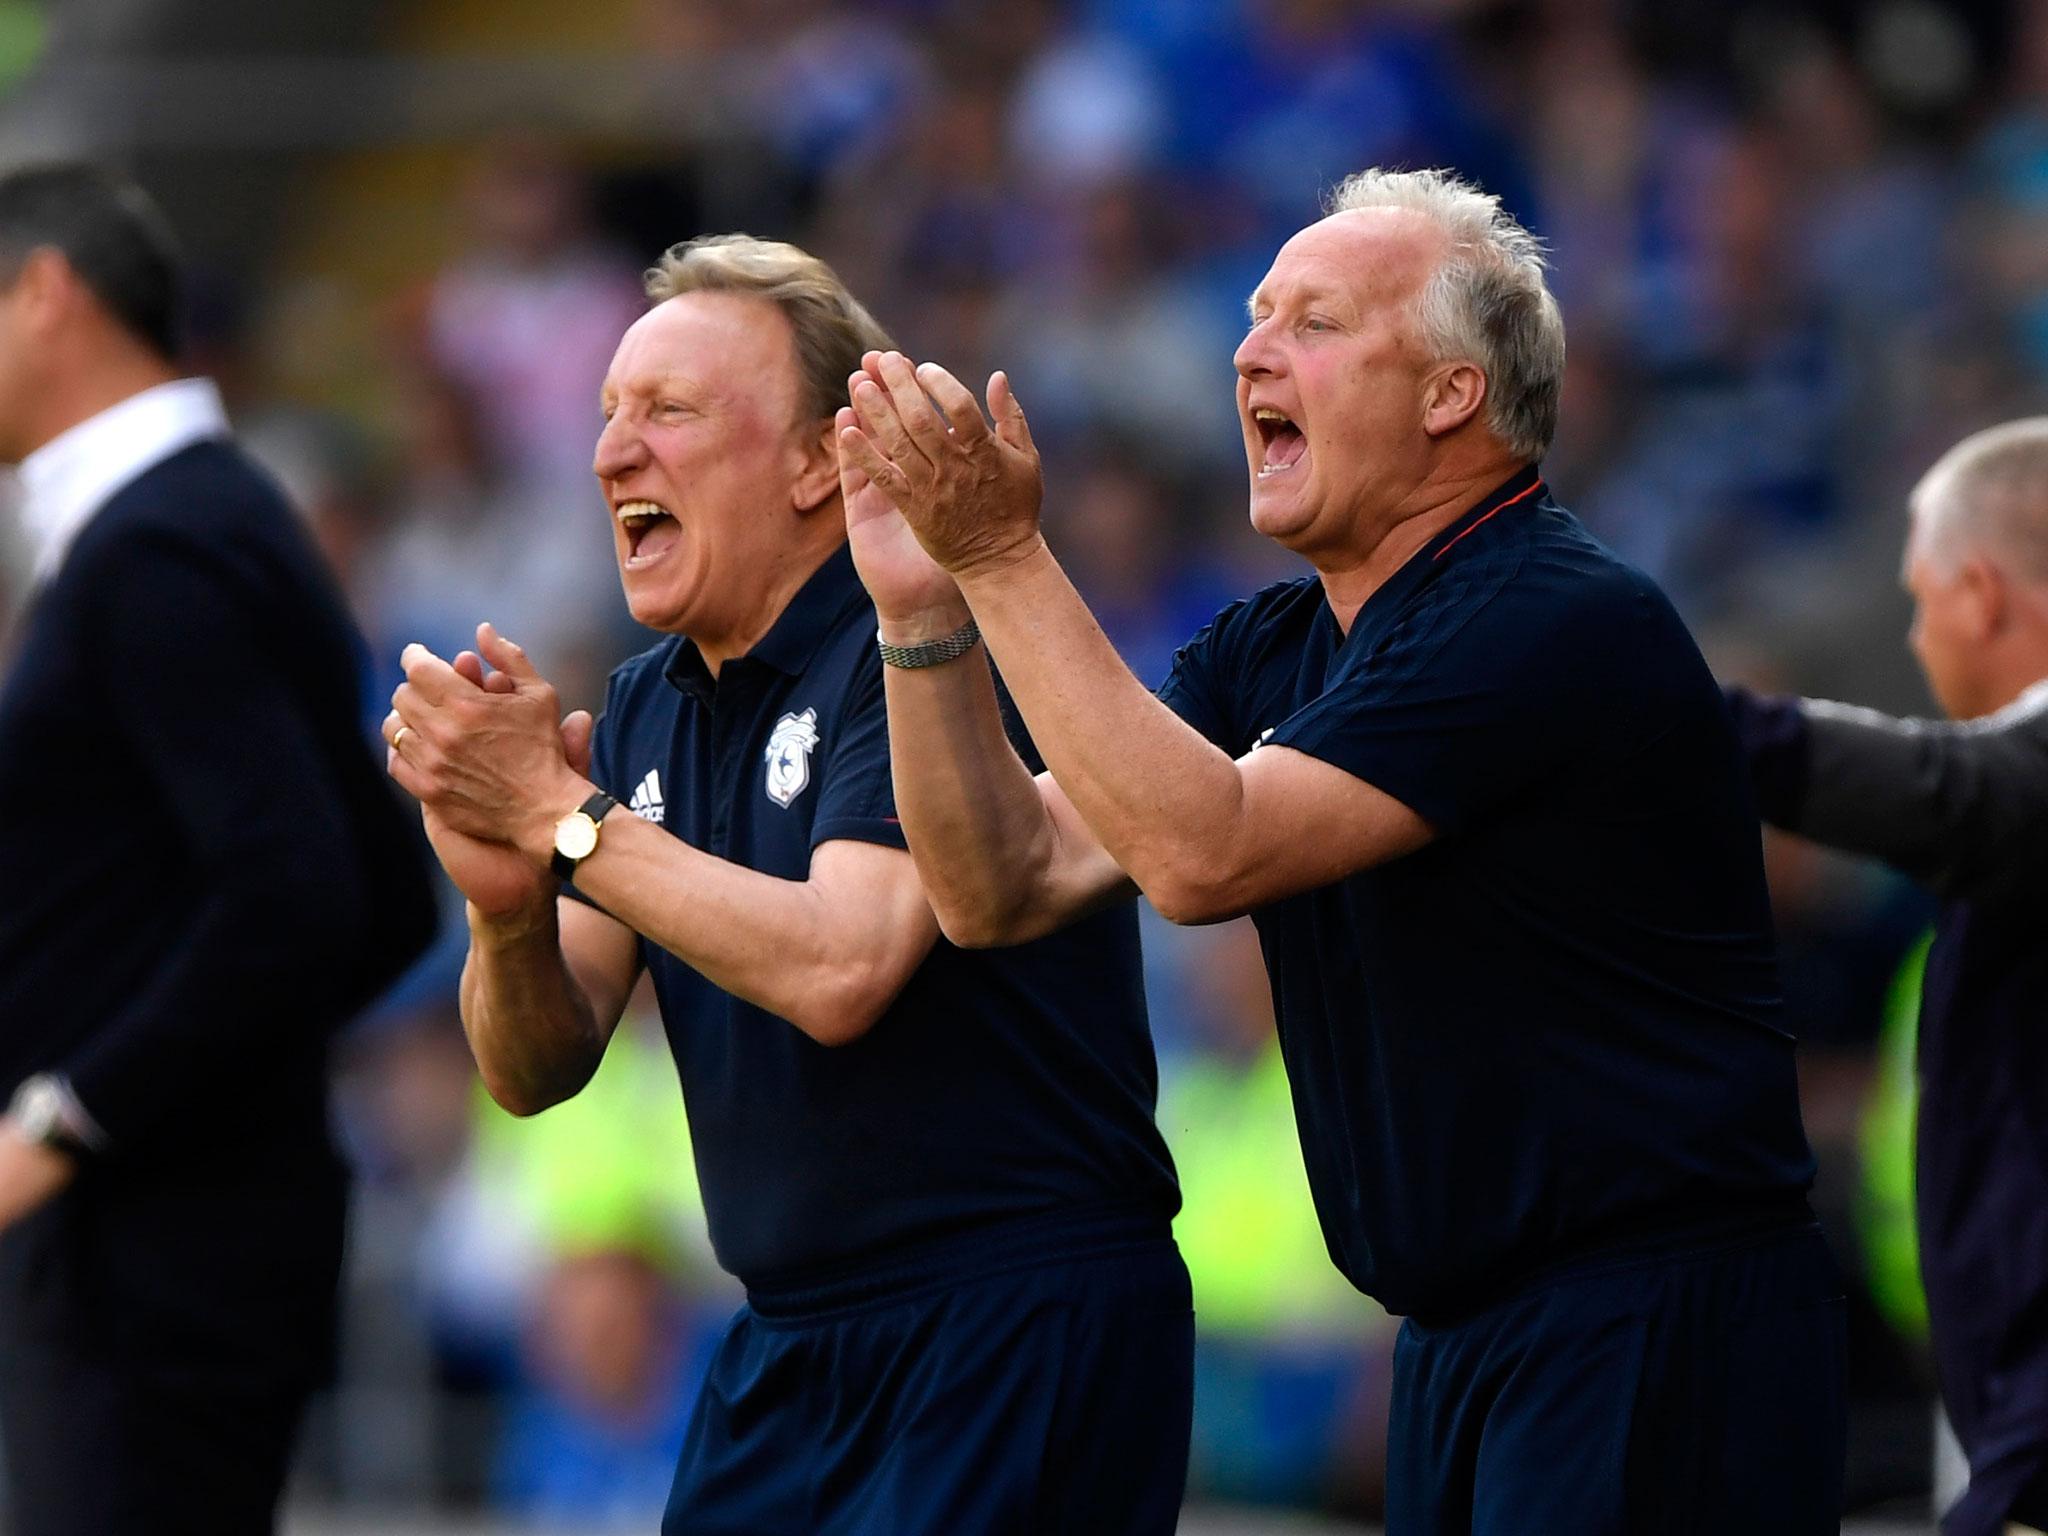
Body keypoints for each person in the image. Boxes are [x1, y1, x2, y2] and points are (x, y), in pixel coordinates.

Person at [838, 166, 1845, 1532]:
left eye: (1315, 323)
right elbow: (995, 883)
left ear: (1451, 392)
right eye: (1254, 317)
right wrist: (923, 610)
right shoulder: (1273, 645)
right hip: (1455, 1341)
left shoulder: (1549, 614)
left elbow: (1202, 857)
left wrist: (1007, 556)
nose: (1251, 350)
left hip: (1649, 1325)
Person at [382, 234, 1191, 1536]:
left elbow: (841, 968)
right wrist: (507, 903)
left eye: (671, 413)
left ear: (824, 459)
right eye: (606, 417)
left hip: (1004, 1319)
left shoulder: (925, 644)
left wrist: (563, 818)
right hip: (788, 1341)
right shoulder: (647, 705)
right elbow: (531, 1068)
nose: (611, 455)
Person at [0, 163, 438, 1535]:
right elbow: (373, 901)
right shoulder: (207, 519)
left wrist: (73, 1111)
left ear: (46, 295)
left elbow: (303, 895)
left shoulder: (162, 546)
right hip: (179, 1247)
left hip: (152, 1263)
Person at [1727, 418, 2048, 1536]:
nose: (1915, 639)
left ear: (1980, 593)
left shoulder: (2020, 788)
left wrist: (1649, 701)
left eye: (1920, 601)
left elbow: (1943, 788)